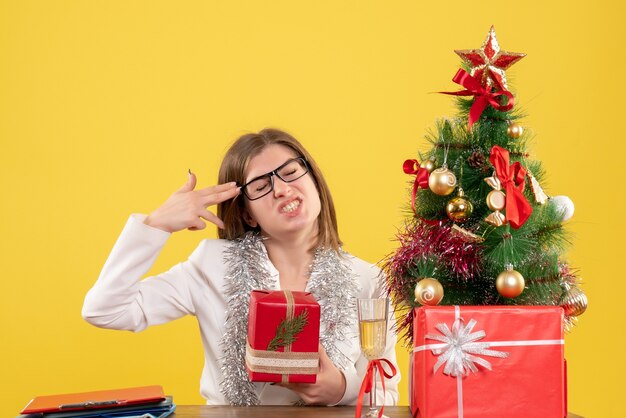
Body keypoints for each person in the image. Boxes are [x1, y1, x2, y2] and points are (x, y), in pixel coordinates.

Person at [82, 128, 400, 406]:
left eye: (290, 172)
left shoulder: (367, 279)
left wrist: (342, 389)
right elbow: (105, 309)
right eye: (260, 186)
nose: (281, 189)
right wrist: (157, 224)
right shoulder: (211, 264)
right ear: (248, 214)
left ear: (314, 181)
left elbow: (386, 392)